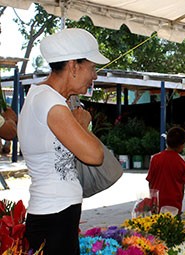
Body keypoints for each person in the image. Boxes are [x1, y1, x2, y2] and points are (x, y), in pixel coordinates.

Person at [18, 28, 109, 254]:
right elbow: (94, 155)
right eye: (92, 67)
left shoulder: (42, 96)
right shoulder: (51, 103)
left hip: (54, 213)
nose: (95, 76)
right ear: (73, 66)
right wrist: (82, 124)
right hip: (54, 215)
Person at [146, 126, 185, 214]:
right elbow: (182, 187)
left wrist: (152, 198)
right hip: (174, 205)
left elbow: (150, 181)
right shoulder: (182, 163)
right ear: (182, 145)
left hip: (156, 204)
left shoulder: (155, 159)